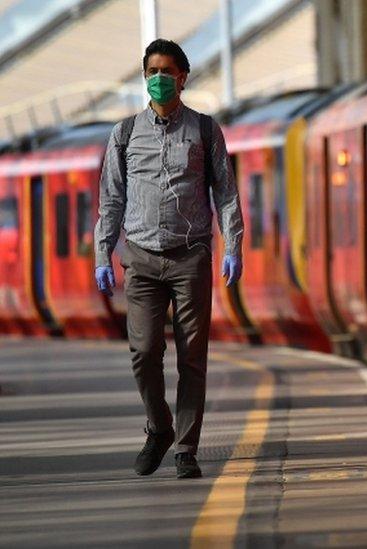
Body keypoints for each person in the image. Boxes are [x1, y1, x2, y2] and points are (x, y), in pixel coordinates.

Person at [93, 39, 244, 479]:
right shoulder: (123, 135)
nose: (158, 78)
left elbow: (226, 193)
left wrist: (232, 244)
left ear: (183, 77)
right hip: (139, 258)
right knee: (144, 352)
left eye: (167, 71)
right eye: (151, 71)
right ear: (145, 77)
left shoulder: (204, 130)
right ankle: (159, 427)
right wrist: (103, 253)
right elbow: (111, 198)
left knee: (192, 358)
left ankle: (186, 449)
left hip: (191, 256)